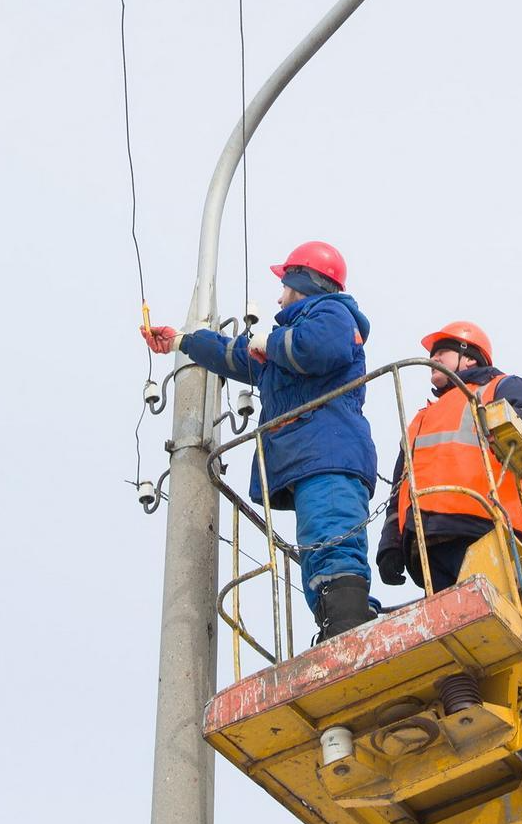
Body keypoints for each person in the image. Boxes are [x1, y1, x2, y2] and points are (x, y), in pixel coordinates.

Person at [142, 241, 379, 641]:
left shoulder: (333, 314)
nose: (279, 294)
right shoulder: (290, 335)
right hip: (308, 456)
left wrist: (269, 345)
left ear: (302, 281)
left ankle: (348, 624)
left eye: (284, 284)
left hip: (328, 451)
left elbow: (318, 348)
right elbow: (232, 355)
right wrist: (182, 340)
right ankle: (335, 622)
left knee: (332, 534)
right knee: (316, 546)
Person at [376, 321, 522, 593]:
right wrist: (390, 542)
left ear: (469, 358)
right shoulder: (420, 420)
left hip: (482, 528)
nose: (432, 359)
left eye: (441, 352)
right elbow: (399, 490)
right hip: (427, 542)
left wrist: (512, 428)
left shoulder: (498, 387)